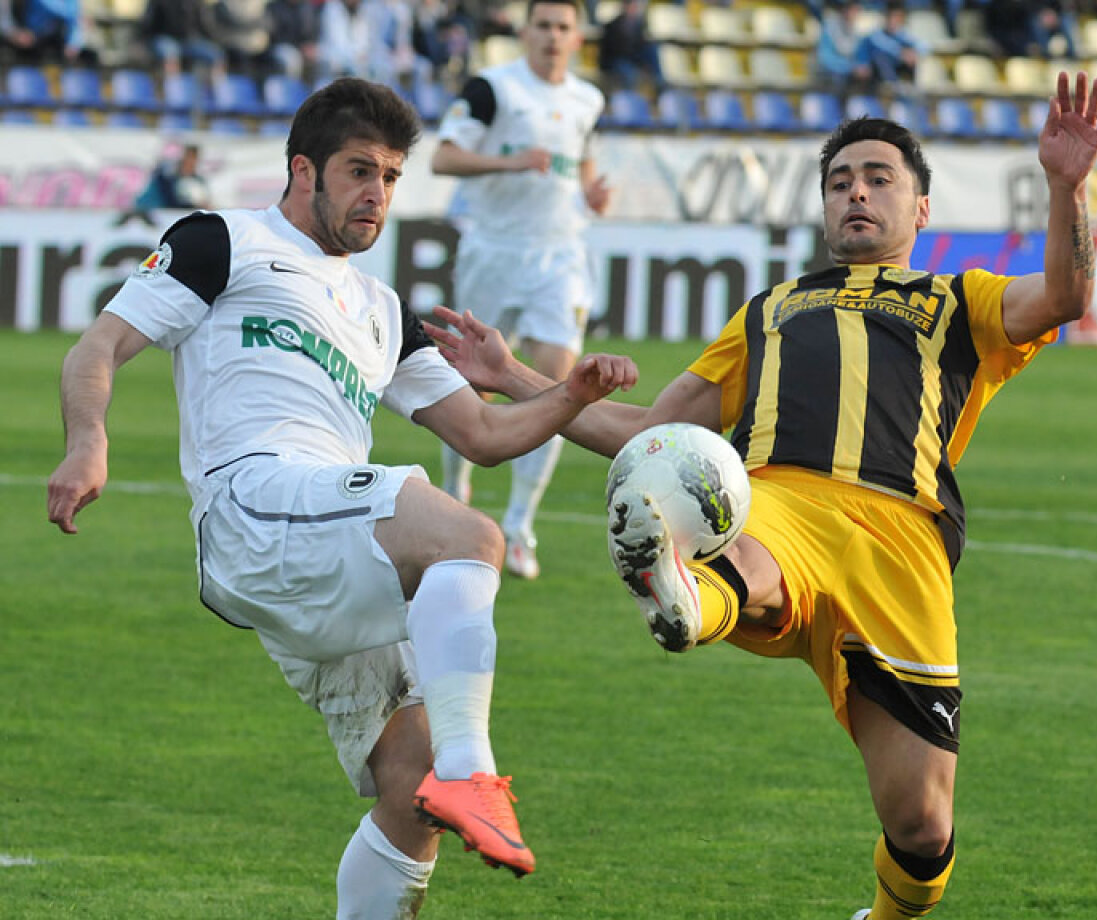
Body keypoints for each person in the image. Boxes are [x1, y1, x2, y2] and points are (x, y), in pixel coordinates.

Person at [426, 71, 1097, 920]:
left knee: (923, 826)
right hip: (779, 506)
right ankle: (681, 589)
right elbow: (651, 429)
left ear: (922, 211)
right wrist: (516, 377)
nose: (855, 191)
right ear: (824, 209)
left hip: (904, 545)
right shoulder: (770, 311)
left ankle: (886, 913)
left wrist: (1066, 185)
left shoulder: (957, 301)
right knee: (741, 540)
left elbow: (1068, 294)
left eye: (877, 178)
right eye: (839, 182)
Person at [47, 77, 636, 918]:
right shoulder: (224, 240)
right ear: (303, 171)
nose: (377, 195)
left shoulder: (381, 309)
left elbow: (487, 437)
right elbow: (99, 343)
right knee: (466, 536)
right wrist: (88, 442)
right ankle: (479, 775)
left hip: (317, 547)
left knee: (413, 783)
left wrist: (567, 391)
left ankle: (449, 779)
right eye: (360, 170)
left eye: (392, 177)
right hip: (251, 504)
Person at [431, 0, 611, 579]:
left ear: (577, 36)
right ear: (525, 31)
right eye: (543, 26)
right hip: (495, 249)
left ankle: (519, 526)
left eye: (563, 27)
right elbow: (443, 157)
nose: (553, 37)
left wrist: (591, 194)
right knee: (471, 387)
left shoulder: (588, 99)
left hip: (561, 254)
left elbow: (581, 161)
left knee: (560, 389)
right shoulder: (492, 88)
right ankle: (453, 498)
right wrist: (508, 165)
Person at [597, 0, 666, 95]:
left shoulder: (639, 25)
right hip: (616, 61)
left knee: (652, 49)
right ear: (625, 6)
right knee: (628, 71)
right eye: (631, 5)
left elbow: (641, 48)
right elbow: (611, 53)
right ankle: (630, 98)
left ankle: (660, 84)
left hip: (632, 59)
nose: (634, 9)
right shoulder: (612, 26)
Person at [858, 1, 927, 94]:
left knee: (914, 57)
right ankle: (891, 86)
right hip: (875, 77)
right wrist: (901, 53)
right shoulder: (875, 35)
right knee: (879, 54)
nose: (893, 21)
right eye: (890, 17)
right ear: (885, 17)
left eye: (897, 17)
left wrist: (913, 53)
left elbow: (924, 47)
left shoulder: (903, 35)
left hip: (898, 72)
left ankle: (907, 87)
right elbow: (882, 45)